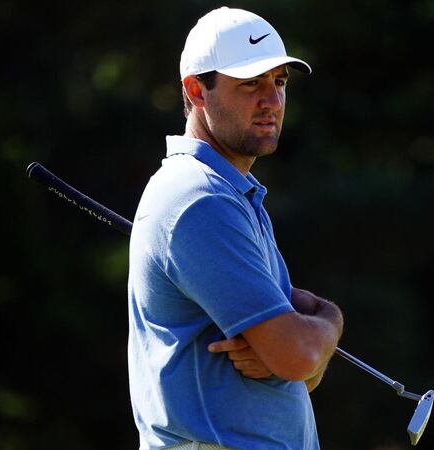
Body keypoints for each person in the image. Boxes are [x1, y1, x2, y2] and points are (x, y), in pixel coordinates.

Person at [127, 7, 344, 450]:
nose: (272, 100)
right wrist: (330, 320)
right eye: (250, 83)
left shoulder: (230, 192)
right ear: (196, 90)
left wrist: (300, 344)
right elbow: (300, 356)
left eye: (279, 82)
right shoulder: (199, 198)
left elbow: (302, 371)